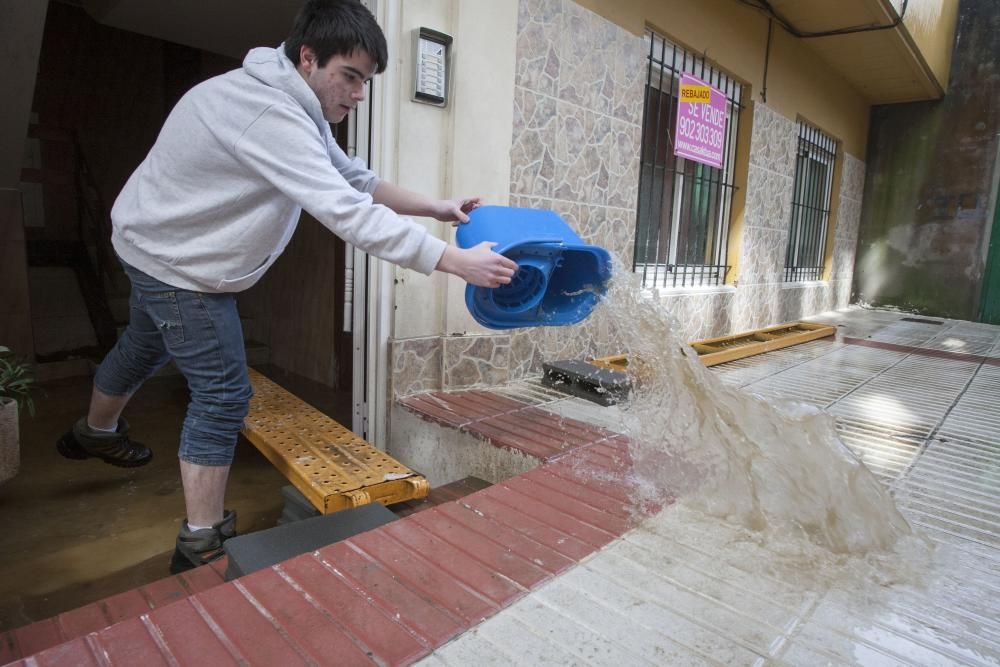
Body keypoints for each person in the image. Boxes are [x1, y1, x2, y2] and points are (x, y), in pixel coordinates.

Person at [55, 0, 517, 574]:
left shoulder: (294, 103)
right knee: (224, 395)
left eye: (367, 81)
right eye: (350, 76)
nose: (358, 93)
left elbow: (353, 178)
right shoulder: (266, 111)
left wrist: (437, 206)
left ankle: (95, 431)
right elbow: (347, 212)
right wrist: (454, 262)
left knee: (143, 346)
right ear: (307, 57)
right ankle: (200, 542)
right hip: (179, 267)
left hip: (148, 246)